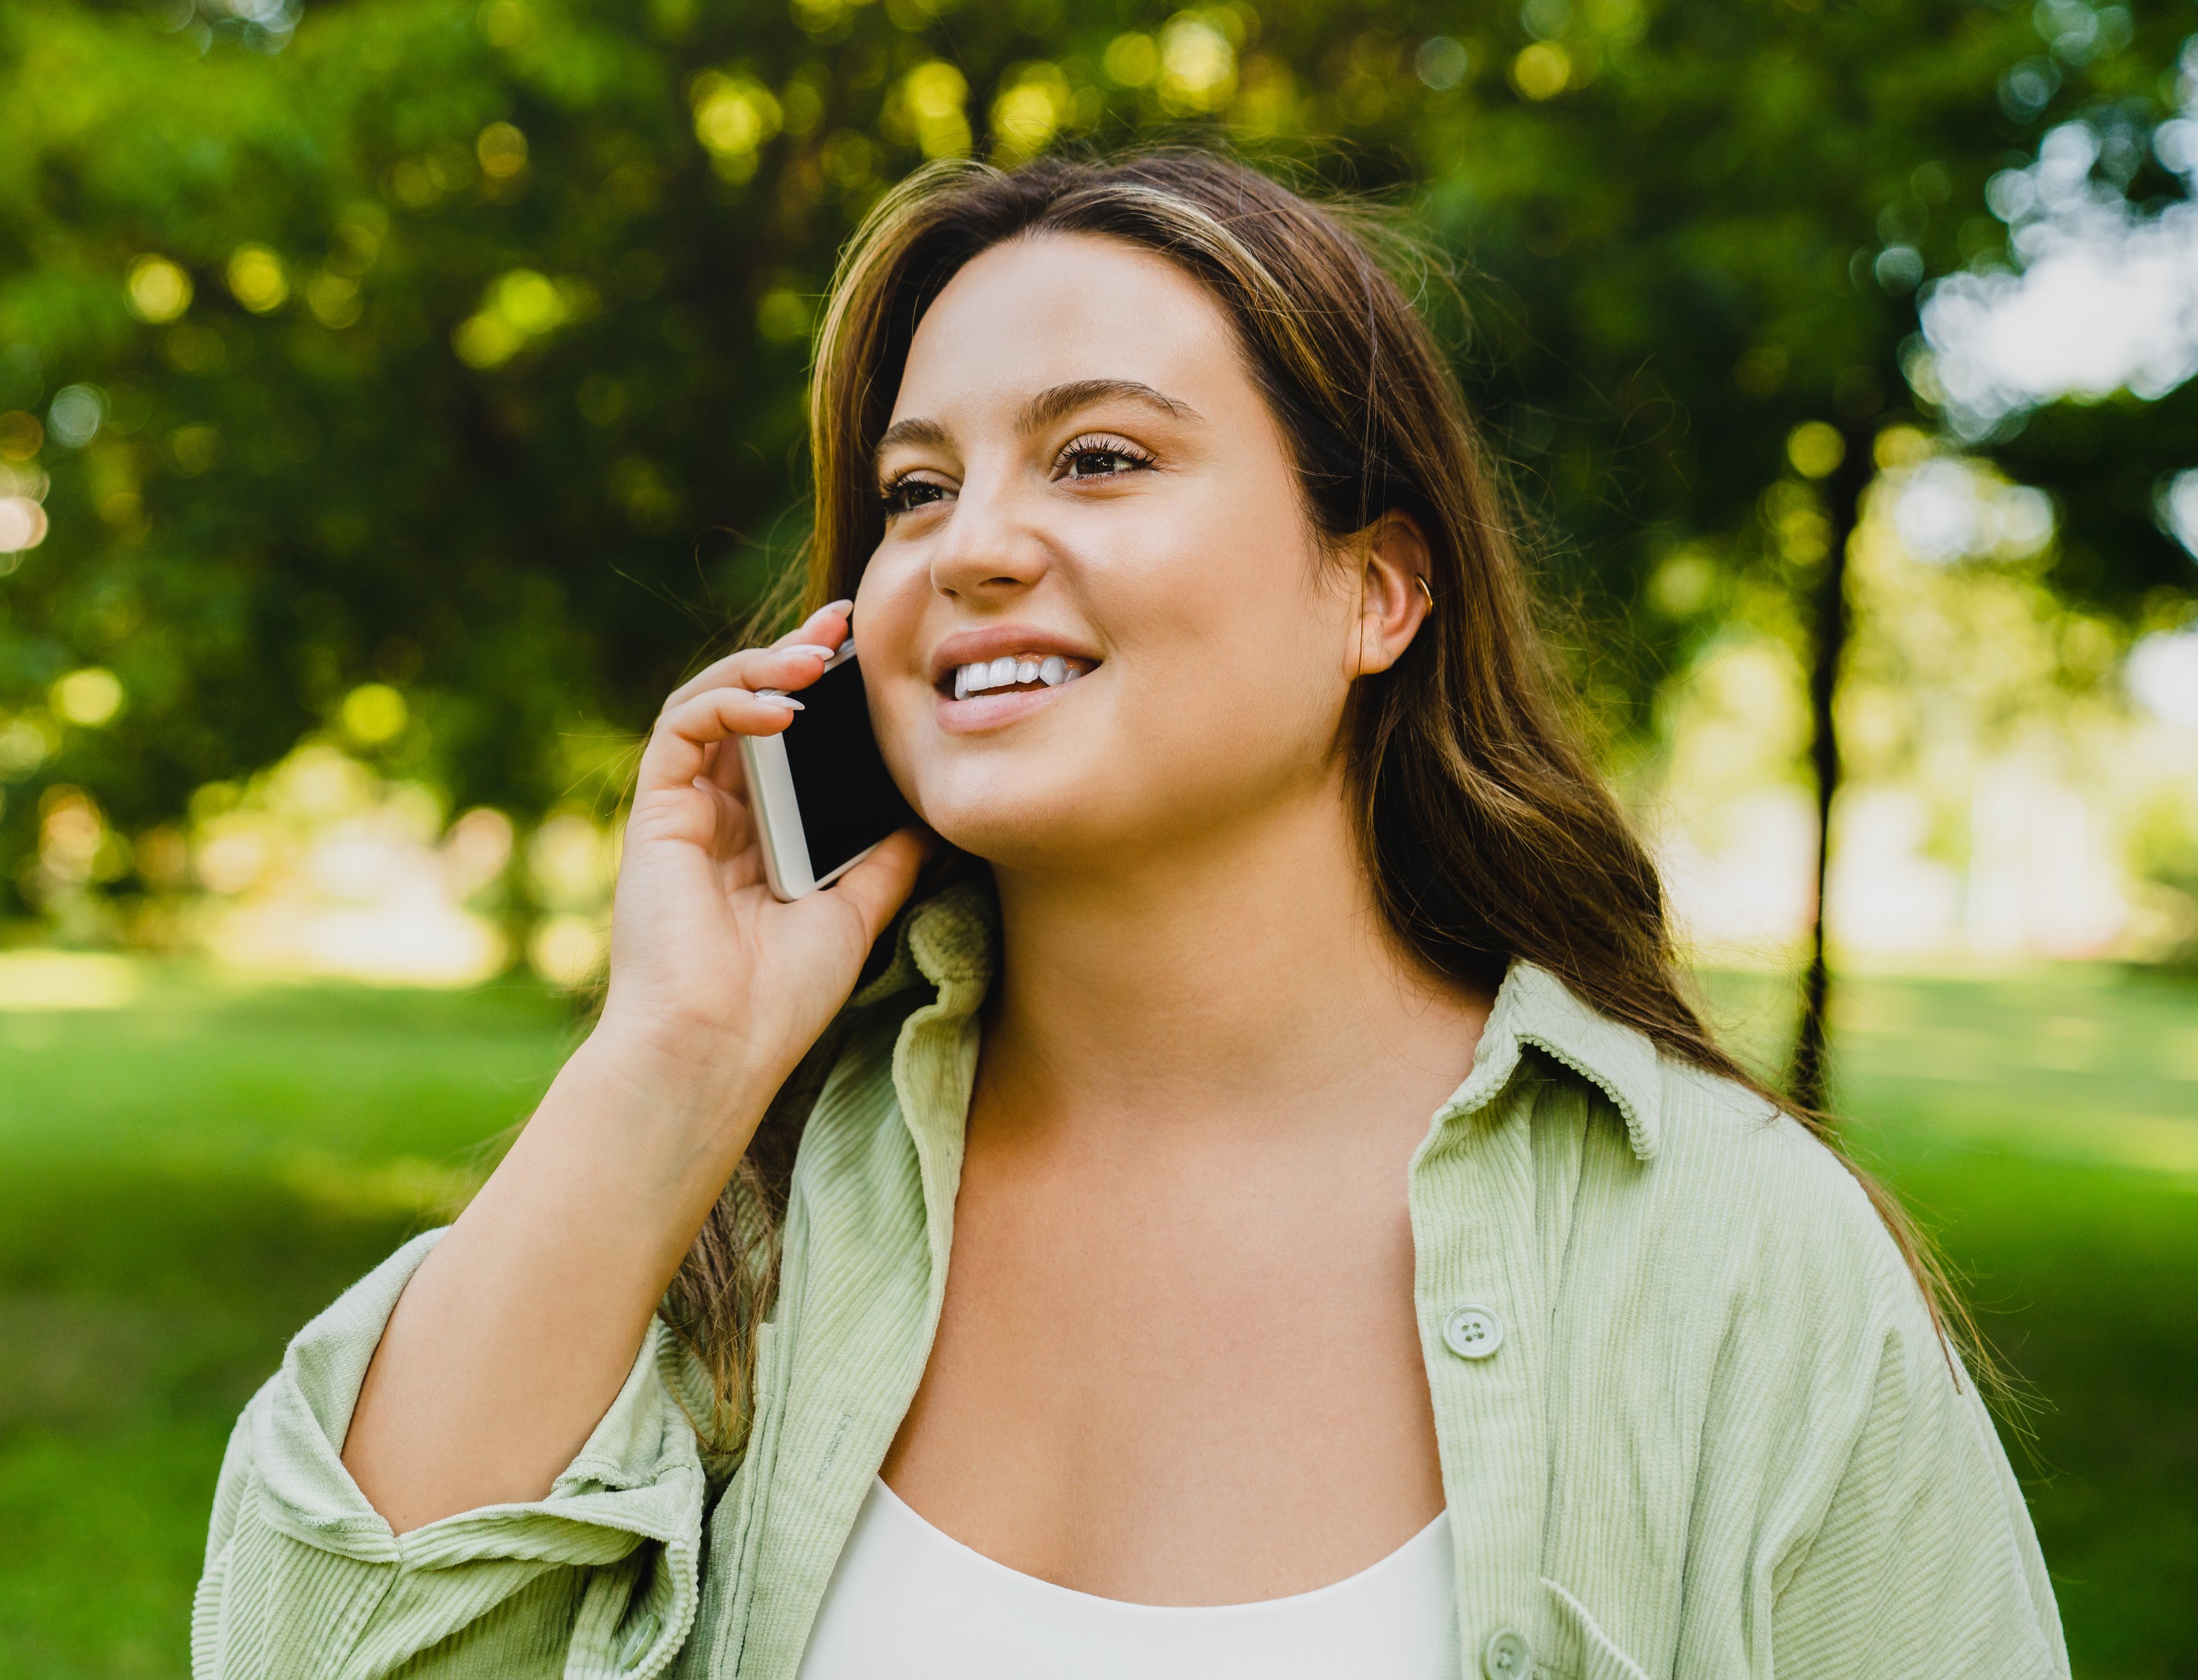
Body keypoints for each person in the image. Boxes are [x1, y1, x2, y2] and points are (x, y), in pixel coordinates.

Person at [192, 152, 2067, 1680]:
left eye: (1099, 457)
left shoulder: (1738, 1257)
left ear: (1378, 590)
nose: (971, 542)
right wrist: (672, 1058)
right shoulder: (740, 1220)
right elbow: (309, 1654)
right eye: (915, 490)